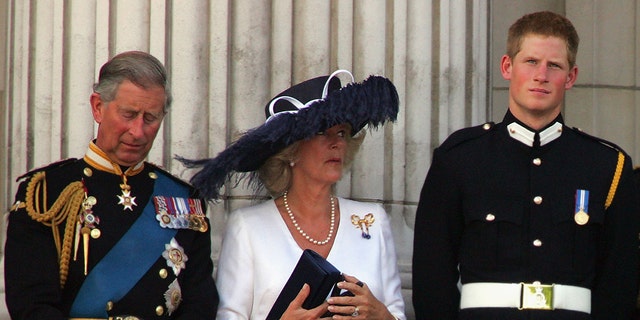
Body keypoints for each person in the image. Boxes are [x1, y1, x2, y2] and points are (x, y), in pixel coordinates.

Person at [412, 11, 639, 319]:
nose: (541, 75)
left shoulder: (607, 165)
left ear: (570, 77)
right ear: (508, 67)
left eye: (554, 65)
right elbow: (432, 278)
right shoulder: (460, 158)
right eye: (531, 61)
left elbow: (619, 284)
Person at [4, 51, 219, 319]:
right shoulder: (47, 193)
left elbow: (200, 305)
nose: (138, 132)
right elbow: (31, 304)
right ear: (98, 107)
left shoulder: (184, 201)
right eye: (128, 114)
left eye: (150, 118)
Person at [179, 70, 406, 319]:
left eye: (342, 133)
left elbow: (397, 312)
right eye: (323, 132)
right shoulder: (248, 228)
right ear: (291, 151)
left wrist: (381, 314)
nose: (337, 143)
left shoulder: (372, 221)